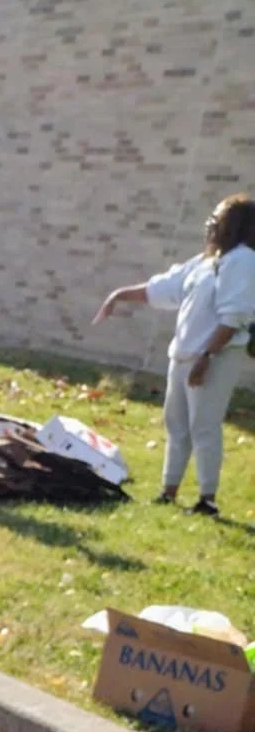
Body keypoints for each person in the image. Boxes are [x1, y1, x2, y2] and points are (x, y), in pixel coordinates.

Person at [94, 194, 255, 517]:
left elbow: (233, 317)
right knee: (177, 425)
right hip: (184, 356)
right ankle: (168, 491)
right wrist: (118, 295)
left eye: (217, 218)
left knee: (204, 426)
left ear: (235, 225)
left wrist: (206, 357)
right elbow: (165, 288)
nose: (210, 224)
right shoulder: (205, 261)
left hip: (214, 358)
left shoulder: (243, 261)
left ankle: (207, 500)